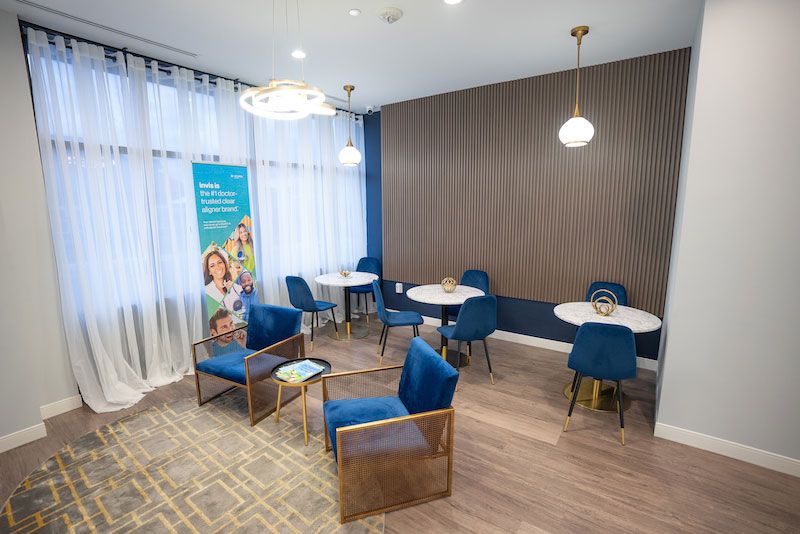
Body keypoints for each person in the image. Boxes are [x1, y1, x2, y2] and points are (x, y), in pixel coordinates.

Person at [203, 249, 243, 318]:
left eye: (220, 262)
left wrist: (232, 292)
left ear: (224, 264)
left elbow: (243, 308)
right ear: (209, 272)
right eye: (212, 265)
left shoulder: (235, 287)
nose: (218, 267)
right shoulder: (206, 291)